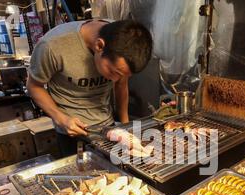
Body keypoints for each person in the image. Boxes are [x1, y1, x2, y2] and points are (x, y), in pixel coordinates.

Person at [27, 19, 153, 157]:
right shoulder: (53, 45)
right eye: (113, 72)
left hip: (108, 127)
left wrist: (125, 126)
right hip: (71, 131)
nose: (115, 79)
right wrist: (61, 119)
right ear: (99, 46)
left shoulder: (123, 41)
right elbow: (34, 86)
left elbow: (121, 85)